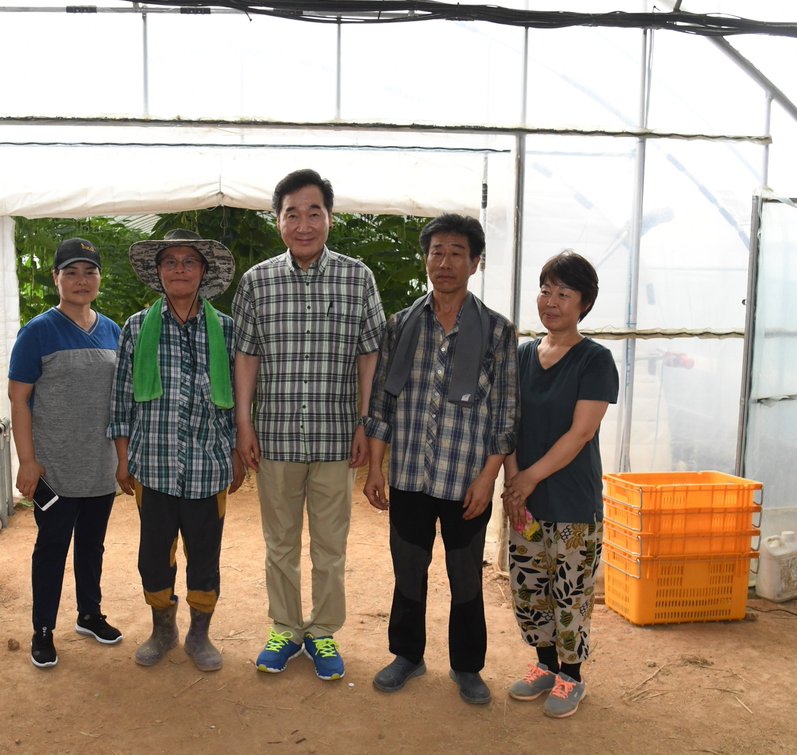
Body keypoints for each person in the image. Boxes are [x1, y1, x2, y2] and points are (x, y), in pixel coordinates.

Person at [233, 168, 386, 681]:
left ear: (330, 218)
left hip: (336, 437)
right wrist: (244, 423)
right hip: (274, 435)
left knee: (330, 545)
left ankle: (321, 632)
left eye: (313, 212)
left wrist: (366, 422)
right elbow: (247, 357)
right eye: (292, 213)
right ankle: (284, 628)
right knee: (279, 542)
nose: (303, 223)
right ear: (278, 221)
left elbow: (370, 356)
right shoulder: (257, 281)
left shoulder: (357, 277)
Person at [363, 213, 518, 706]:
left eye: (456, 253)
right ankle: (407, 656)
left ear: (475, 262)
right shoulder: (401, 325)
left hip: (466, 480)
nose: (444, 262)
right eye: (436, 252)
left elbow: (506, 413)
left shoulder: (497, 331)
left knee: (466, 576)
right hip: (409, 474)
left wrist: (488, 477)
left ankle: (467, 666)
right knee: (408, 569)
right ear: (426, 258)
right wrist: (375, 469)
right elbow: (382, 405)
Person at [108, 229, 244, 673]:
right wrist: (124, 457)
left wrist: (239, 452)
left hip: (210, 466)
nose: (180, 269)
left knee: (205, 555)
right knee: (154, 554)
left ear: (203, 273)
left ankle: (199, 633)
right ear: (159, 272)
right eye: (171, 262)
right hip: (154, 465)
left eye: (189, 261)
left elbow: (243, 399)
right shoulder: (135, 327)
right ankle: (162, 628)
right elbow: (122, 396)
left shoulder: (225, 329)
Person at [501, 250, 618, 718]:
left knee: (570, 590)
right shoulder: (523, 354)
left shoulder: (594, 360)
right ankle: (545, 666)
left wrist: (526, 479)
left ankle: (572, 677)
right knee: (530, 587)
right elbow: (507, 423)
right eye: (545, 290)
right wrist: (513, 485)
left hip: (571, 501)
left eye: (563, 294)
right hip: (524, 499)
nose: (551, 302)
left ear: (584, 303)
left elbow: (580, 433)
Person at [7, 238, 123, 669]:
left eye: (89, 272)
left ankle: (90, 614)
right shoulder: (37, 331)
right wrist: (27, 460)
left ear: (98, 279)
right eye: (71, 272)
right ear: (56, 278)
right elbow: (18, 400)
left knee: (92, 545)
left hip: (100, 464)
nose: (81, 280)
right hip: (54, 466)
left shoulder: (113, 331)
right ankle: (42, 630)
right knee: (52, 547)